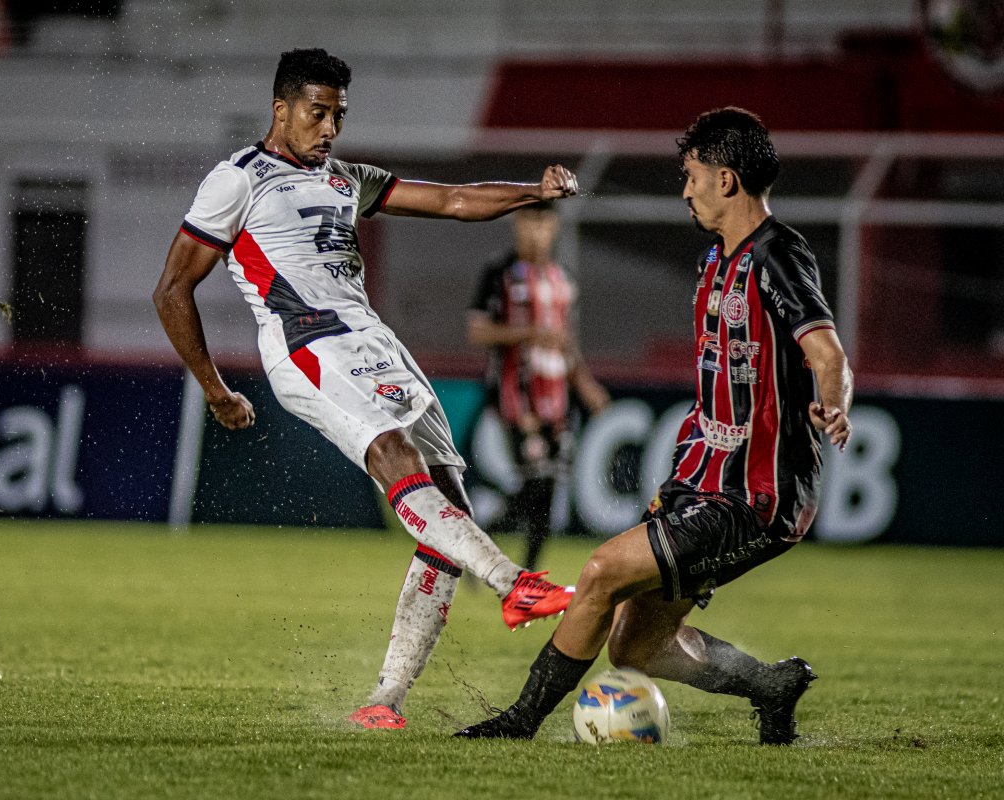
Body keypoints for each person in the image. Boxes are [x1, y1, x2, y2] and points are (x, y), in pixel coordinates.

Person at [152, 48, 579, 731]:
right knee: (390, 453)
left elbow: (453, 200)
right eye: (318, 113)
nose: (329, 129)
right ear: (281, 108)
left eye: (339, 116)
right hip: (306, 343)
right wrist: (213, 387)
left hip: (376, 342)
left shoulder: (349, 177)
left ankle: (386, 700)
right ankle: (512, 584)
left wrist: (534, 192)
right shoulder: (238, 180)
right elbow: (173, 289)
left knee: (451, 504)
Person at [455, 107, 853, 745]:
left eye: (691, 174)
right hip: (701, 481)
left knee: (600, 572)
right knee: (636, 647)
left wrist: (833, 405)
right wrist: (677, 481)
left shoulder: (779, 254)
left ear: (727, 180)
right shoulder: (713, 263)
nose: (685, 188)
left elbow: (828, 356)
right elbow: (722, 381)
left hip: (756, 496)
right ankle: (769, 686)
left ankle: (518, 724)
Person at [467, 201, 610, 569]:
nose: (536, 230)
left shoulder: (563, 277)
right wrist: (528, 332)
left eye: (544, 222)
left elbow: (565, 342)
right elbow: (477, 330)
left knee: (546, 492)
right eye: (529, 221)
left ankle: (524, 570)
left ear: (554, 227)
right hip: (516, 395)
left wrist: (587, 384)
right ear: (517, 224)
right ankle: (487, 543)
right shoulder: (498, 273)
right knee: (537, 480)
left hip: (558, 398)